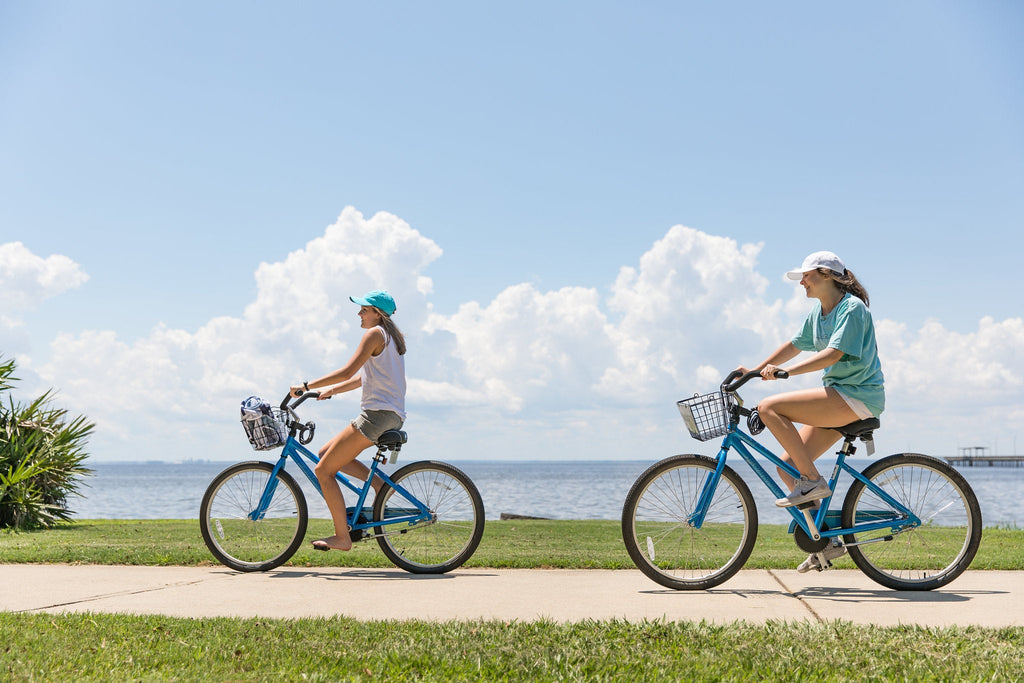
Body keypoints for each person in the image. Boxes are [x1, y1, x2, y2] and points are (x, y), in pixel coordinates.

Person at [737, 251, 884, 571]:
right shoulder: (818, 313)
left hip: (857, 396)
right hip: (838, 397)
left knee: (768, 407)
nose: (802, 282)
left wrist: (786, 373)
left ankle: (814, 480)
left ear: (826, 275)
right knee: (788, 467)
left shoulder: (851, 309)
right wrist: (756, 371)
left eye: (806, 276)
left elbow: (833, 354)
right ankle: (825, 542)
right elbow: (793, 345)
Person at [291, 289, 407, 551]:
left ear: (377, 314)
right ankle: (379, 485)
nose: (359, 314)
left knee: (323, 471)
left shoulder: (374, 333)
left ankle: (342, 537)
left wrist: (306, 385)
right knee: (324, 454)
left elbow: (347, 371)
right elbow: (362, 378)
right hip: (391, 415)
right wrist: (331, 390)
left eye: (364, 310)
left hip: (376, 416)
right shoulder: (390, 338)